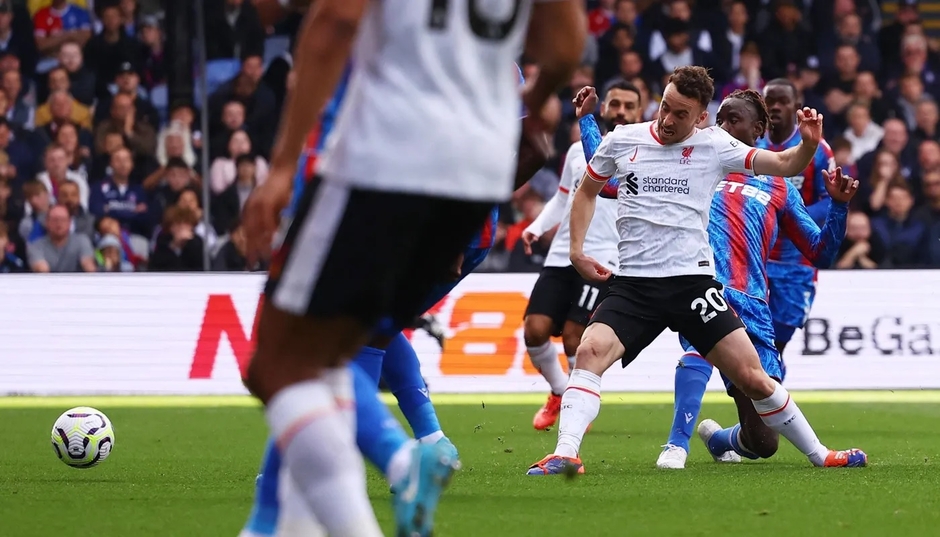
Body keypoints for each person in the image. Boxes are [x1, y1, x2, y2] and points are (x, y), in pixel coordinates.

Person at [239, 0, 587, 535]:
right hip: (471, 188)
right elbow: (565, 48)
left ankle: (401, 465)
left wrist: (282, 166)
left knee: (276, 363)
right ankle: (281, 519)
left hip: (383, 165)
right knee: (337, 351)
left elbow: (334, 21)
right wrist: (529, 105)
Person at [526, 65, 865, 477]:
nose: (668, 120)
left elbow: (784, 161)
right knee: (590, 353)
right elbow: (588, 191)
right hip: (634, 285)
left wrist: (809, 146)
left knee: (754, 378)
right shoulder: (623, 139)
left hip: (692, 285)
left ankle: (820, 454)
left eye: (681, 114)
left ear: (700, 117)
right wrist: (577, 251)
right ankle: (567, 454)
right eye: (665, 107)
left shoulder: (716, 146)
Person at [640, 89, 861, 469]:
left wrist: (838, 207)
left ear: (758, 129)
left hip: (754, 302)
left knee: (763, 442)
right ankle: (675, 445)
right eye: (720, 118)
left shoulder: (778, 185)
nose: (723, 126)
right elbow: (612, 182)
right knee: (697, 348)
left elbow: (820, 251)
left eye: (734, 120)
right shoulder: (695, 166)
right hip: (702, 285)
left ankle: (718, 437)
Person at [522, 81, 639, 430]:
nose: (619, 111)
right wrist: (537, 226)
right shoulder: (577, 151)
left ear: (639, 111)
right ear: (602, 109)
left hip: (604, 257)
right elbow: (563, 198)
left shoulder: (644, 151)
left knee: (576, 335)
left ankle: (577, 408)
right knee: (534, 330)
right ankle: (561, 391)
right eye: (614, 103)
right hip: (562, 254)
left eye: (628, 106)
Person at [758, 79, 836, 357]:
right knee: (758, 342)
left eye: (782, 102)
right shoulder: (751, 146)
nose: (775, 108)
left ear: (796, 106)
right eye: (770, 102)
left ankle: (770, 393)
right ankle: (766, 396)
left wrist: (788, 215)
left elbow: (829, 200)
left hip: (797, 263)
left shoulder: (817, 149)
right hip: (756, 259)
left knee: (776, 343)